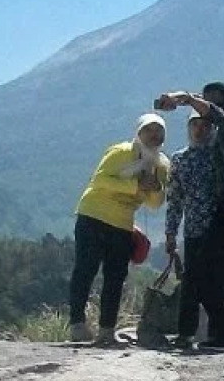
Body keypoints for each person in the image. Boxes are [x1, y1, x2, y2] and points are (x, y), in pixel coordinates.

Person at [156, 82, 224, 351]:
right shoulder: (195, 154)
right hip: (222, 216)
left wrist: (183, 98)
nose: (202, 123)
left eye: (206, 107)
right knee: (204, 279)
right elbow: (175, 199)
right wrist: (171, 232)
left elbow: (218, 115)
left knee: (210, 279)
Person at [68, 113, 170, 345]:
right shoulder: (121, 152)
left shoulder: (161, 165)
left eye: (159, 131)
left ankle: (106, 330)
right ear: (139, 132)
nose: (154, 135)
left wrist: (154, 187)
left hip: (122, 224)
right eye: (149, 130)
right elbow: (99, 180)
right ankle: (77, 324)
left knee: (115, 276)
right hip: (93, 215)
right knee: (85, 270)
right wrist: (135, 185)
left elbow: (155, 204)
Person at [162, 113, 216, 349]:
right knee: (190, 283)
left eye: (205, 125)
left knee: (218, 284)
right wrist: (170, 233)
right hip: (193, 230)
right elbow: (174, 199)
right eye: (194, 125)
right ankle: (185, 334)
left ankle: (219, 335)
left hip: (222, 229)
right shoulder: (180, 159)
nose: (199, 130)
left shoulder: (221, 157)